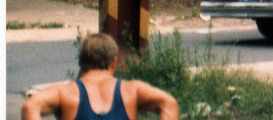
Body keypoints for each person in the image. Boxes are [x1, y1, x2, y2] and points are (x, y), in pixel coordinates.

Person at [21, 33, 178, 120]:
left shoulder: (66, 93)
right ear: (114, 61)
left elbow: (30, 106)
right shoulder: (131, 90)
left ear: (82, 61)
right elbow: (169, 103)